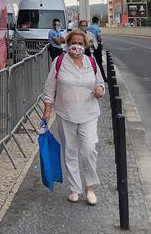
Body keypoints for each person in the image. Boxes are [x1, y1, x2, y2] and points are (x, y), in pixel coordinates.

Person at [42, 29, 106, 205]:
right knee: (70, 151)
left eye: (80, 43)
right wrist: (47, 109)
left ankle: (90, 187)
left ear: (85, 45)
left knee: (89, 149)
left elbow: (100, 83)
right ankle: (75, 189)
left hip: (89, 113)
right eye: (73, 43)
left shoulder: (91, 62)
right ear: (67, 44)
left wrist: (100, 90)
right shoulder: (59, 62)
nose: (76, 46)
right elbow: (50, 88)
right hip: (66, 113)